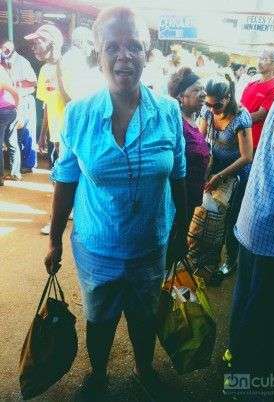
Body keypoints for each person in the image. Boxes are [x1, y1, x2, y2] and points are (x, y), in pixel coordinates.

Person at [44, 6, 188, 402]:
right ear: (98, 51)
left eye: (134, 47)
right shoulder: (79, 114)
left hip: (150, 244)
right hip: (97, 245)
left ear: (148, 51)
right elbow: (65, 180)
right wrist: (54, 239)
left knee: (144, 317)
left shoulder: (169, 113)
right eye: (113, 47)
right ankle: (99, 374)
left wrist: (180, 232)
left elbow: (179, 177)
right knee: (99, 317)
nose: (124, 56)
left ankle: (144, 369)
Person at [229, 76, 274, 401]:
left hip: (259, 220)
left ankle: (237, 378)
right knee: (266, 322)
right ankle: (248, 389)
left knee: (247, 307)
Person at [199, 74, 253, 278]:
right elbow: (201, 140)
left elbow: (247, 156)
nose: (212, 110)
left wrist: (219, 176)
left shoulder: (241, 117)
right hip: (215, 169)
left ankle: (231, 261)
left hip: (237, 174)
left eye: (217, 106)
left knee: (231, 220)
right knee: (211, 216)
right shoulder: (207, 110)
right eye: (209, 104)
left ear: (228, 97)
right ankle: (208, 258)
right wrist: (204, 169)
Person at [25, 24, 67, 234]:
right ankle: (64, 212)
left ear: (52, 42)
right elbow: (47, 105)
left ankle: (57, 220)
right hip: (56, 135)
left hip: (72, 136)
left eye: (37, 42)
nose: (33, 47)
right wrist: (43, 135)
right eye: (32, 43)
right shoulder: (43, 70)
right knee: (58, 175)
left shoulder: (69, 65)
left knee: (64, 175)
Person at [168, 67, 209, 217]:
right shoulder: (176, 123)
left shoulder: (193, 120)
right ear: (180, 96)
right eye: (197, 90)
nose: (204, 94)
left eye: (203, 89)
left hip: (192, 194)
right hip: (178, 201)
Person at [0, 39, 37, 173]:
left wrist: (17, 84)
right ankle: (15, 170)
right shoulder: (3, 64)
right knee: (12, 138)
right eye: (3, 50)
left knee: (26, 134)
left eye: (7, 50)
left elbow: (34, 82)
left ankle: (28, 164)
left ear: (12, 49)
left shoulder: (22, 62)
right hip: (11, 104)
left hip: (23, 100)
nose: (5, 52)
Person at [241, 47, 274, 151]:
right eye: (260, 58)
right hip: (239, 137)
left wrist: (234, 121)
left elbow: (260, 115)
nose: (260, 62)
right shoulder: (251, 84)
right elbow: (240, 107)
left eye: (264, 59)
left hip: (254, 143)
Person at [60, 26, 103, 100]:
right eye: (90, 43)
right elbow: (79, 91)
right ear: (80, 42)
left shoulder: (72, 56)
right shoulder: (75, 58)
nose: (93, 47)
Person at [0, 65, 19, 185]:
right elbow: (15, 93)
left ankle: (0, 178)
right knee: (12, 141)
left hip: (3, 112)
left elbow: (15, 92)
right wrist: (16, 108)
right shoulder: (3, 71)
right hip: (11, 111)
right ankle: (15, 173)